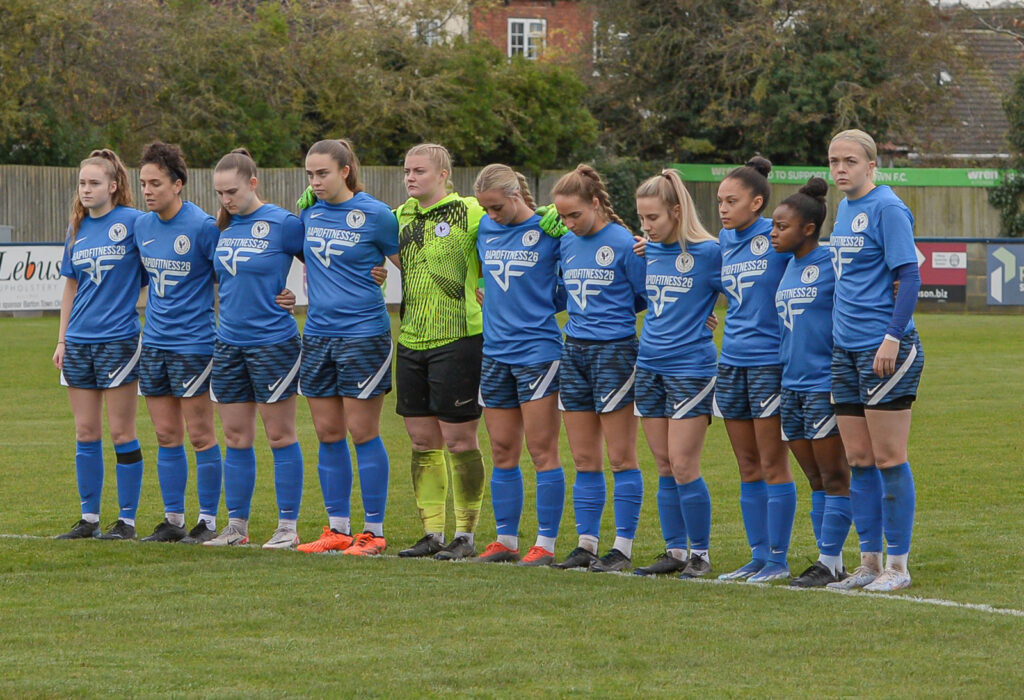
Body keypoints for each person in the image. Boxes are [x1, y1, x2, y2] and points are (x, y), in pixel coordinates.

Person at [825, 130, 923, 592]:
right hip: (844, 351)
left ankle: (898, 567)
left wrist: (892, 337)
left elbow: (909, 274)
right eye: (834, 161)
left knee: (888, 457)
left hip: (884, 349)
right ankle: (868, 563)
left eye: (849, 161)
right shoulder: (844, 209)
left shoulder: (886, 208)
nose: (840, 169)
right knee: (859, 459)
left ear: (871, 166)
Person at [293, 139, 400, 557]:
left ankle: (373, 532)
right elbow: (312, 260)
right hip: (318, 335)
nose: (316, 181)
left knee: (362, 432)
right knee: (327, 432)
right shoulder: (309, 212)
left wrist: (382, 278)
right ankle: (337, 528)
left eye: (322, 173)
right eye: (310, 174)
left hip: (364, 336)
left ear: (346, 170)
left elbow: (406, 265)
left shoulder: (376, 214)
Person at [203, 149, 306, 550]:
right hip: (227, 344)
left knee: (280, 436)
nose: (226, 199)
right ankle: (237, 528)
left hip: (273, 345)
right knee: (235, 437)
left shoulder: (284, 224)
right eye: (219, 193)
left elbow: (323, 265)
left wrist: (297, 296)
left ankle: (287, 527)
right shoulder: (220, 228)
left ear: (253, 183)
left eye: (232, 191)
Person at [391, 144, 488, 561]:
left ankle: (465, 535)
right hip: (411, 339)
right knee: (420, 440)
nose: (411, 177)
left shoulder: (471, 211)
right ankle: (432, 533)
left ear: (444, 174)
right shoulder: (398, 217)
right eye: (407, 171)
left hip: (459, 338)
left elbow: (523, 226)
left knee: (459, 439)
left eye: (420, 171)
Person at [549, 164, 647, 573]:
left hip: (616, 353)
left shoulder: (626, 243)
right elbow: (560, 294)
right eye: (563, 218)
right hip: (574, 352)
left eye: (575, 215)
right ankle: (586, 544)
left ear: (595, 203)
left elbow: (646, 296)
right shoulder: (567, 246)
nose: (569, 224)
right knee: (584, 458)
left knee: (621, 457)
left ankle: (621, 547)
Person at [472, 164, 567, 566]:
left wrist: (541, 305)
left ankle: (544, 545)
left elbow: (575, 282)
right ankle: (505, 540)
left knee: (542, 450)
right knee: (502, 450)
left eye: (496, 207)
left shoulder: (551, 230)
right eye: (485, 209)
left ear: (515, 196)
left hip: (538, 354)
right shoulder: (483, 230)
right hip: (495, 353)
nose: (491, 216)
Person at [53, 149, 147, 540]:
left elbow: (154, 274)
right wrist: (61, 339)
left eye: (94, 183)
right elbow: (70, 288)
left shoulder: (134, 223)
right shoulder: (76, 230)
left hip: (119, 341)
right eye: (82, 183)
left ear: (113, 186)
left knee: (122, 432)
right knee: (85, 432)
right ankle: (89, 518)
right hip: (78, 342)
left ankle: (126, 520)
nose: (86, 189)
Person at [631, 169, 720, 579]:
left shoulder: (709, 252)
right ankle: (675, 551)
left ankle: (700, 554)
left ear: (677, 211)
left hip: (691, 370)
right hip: (648, 366)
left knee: (685, 465)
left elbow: (748, 294)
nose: (646, 227)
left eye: (653, 218)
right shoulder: (645, 252)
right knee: (664, 464)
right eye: (642, 218)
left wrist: (715, 316)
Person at [134, 141, 223, 544]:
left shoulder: (203, 227)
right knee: (166, 435)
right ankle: (172, 521)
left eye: (155, 183)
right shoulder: (141, 226)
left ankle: (207, 521)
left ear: (178, 184)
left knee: (200, 435)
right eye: (142, 184)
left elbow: (235, 276)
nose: (147, 191)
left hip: (195, 345)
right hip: (153, 345)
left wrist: (281, 297)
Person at [713, 157, 797, 583]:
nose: (723, 209)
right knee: (747, 465)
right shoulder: (725, 240)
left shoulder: (778, 236)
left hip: (770, 364)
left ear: (757, 202)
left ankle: (779, 560)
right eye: (720, 201)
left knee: (771, 464)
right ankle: (758, 555)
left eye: (732, 201)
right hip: (730, 364)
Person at [768, 177, 853, 588]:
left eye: (781, 227)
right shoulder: (786, 266)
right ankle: (829, 561)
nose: (773, 233)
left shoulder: (831, 262)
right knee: (814, 478)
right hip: (792, 386)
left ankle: (829, 558)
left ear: (808, 229)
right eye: (772, 225)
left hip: (823, 384)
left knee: (835, 475)